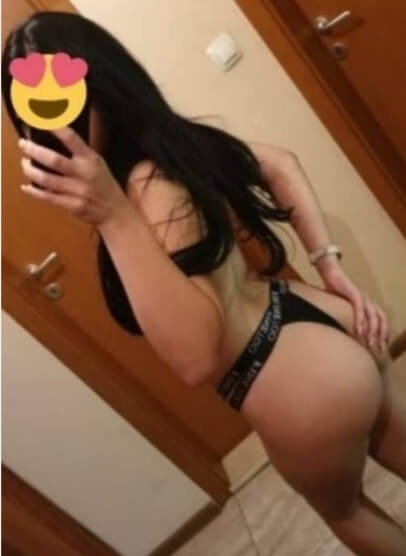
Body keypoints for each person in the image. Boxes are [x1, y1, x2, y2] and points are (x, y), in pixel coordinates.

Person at [3, 11, 406, 555]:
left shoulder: (139, 191)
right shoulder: (174, 146)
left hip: (289, 382)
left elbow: (196, 357)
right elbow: (280, 164)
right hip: (318, 322)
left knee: (347, 510)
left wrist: (113, 217)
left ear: (100, 91)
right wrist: (330, 268)